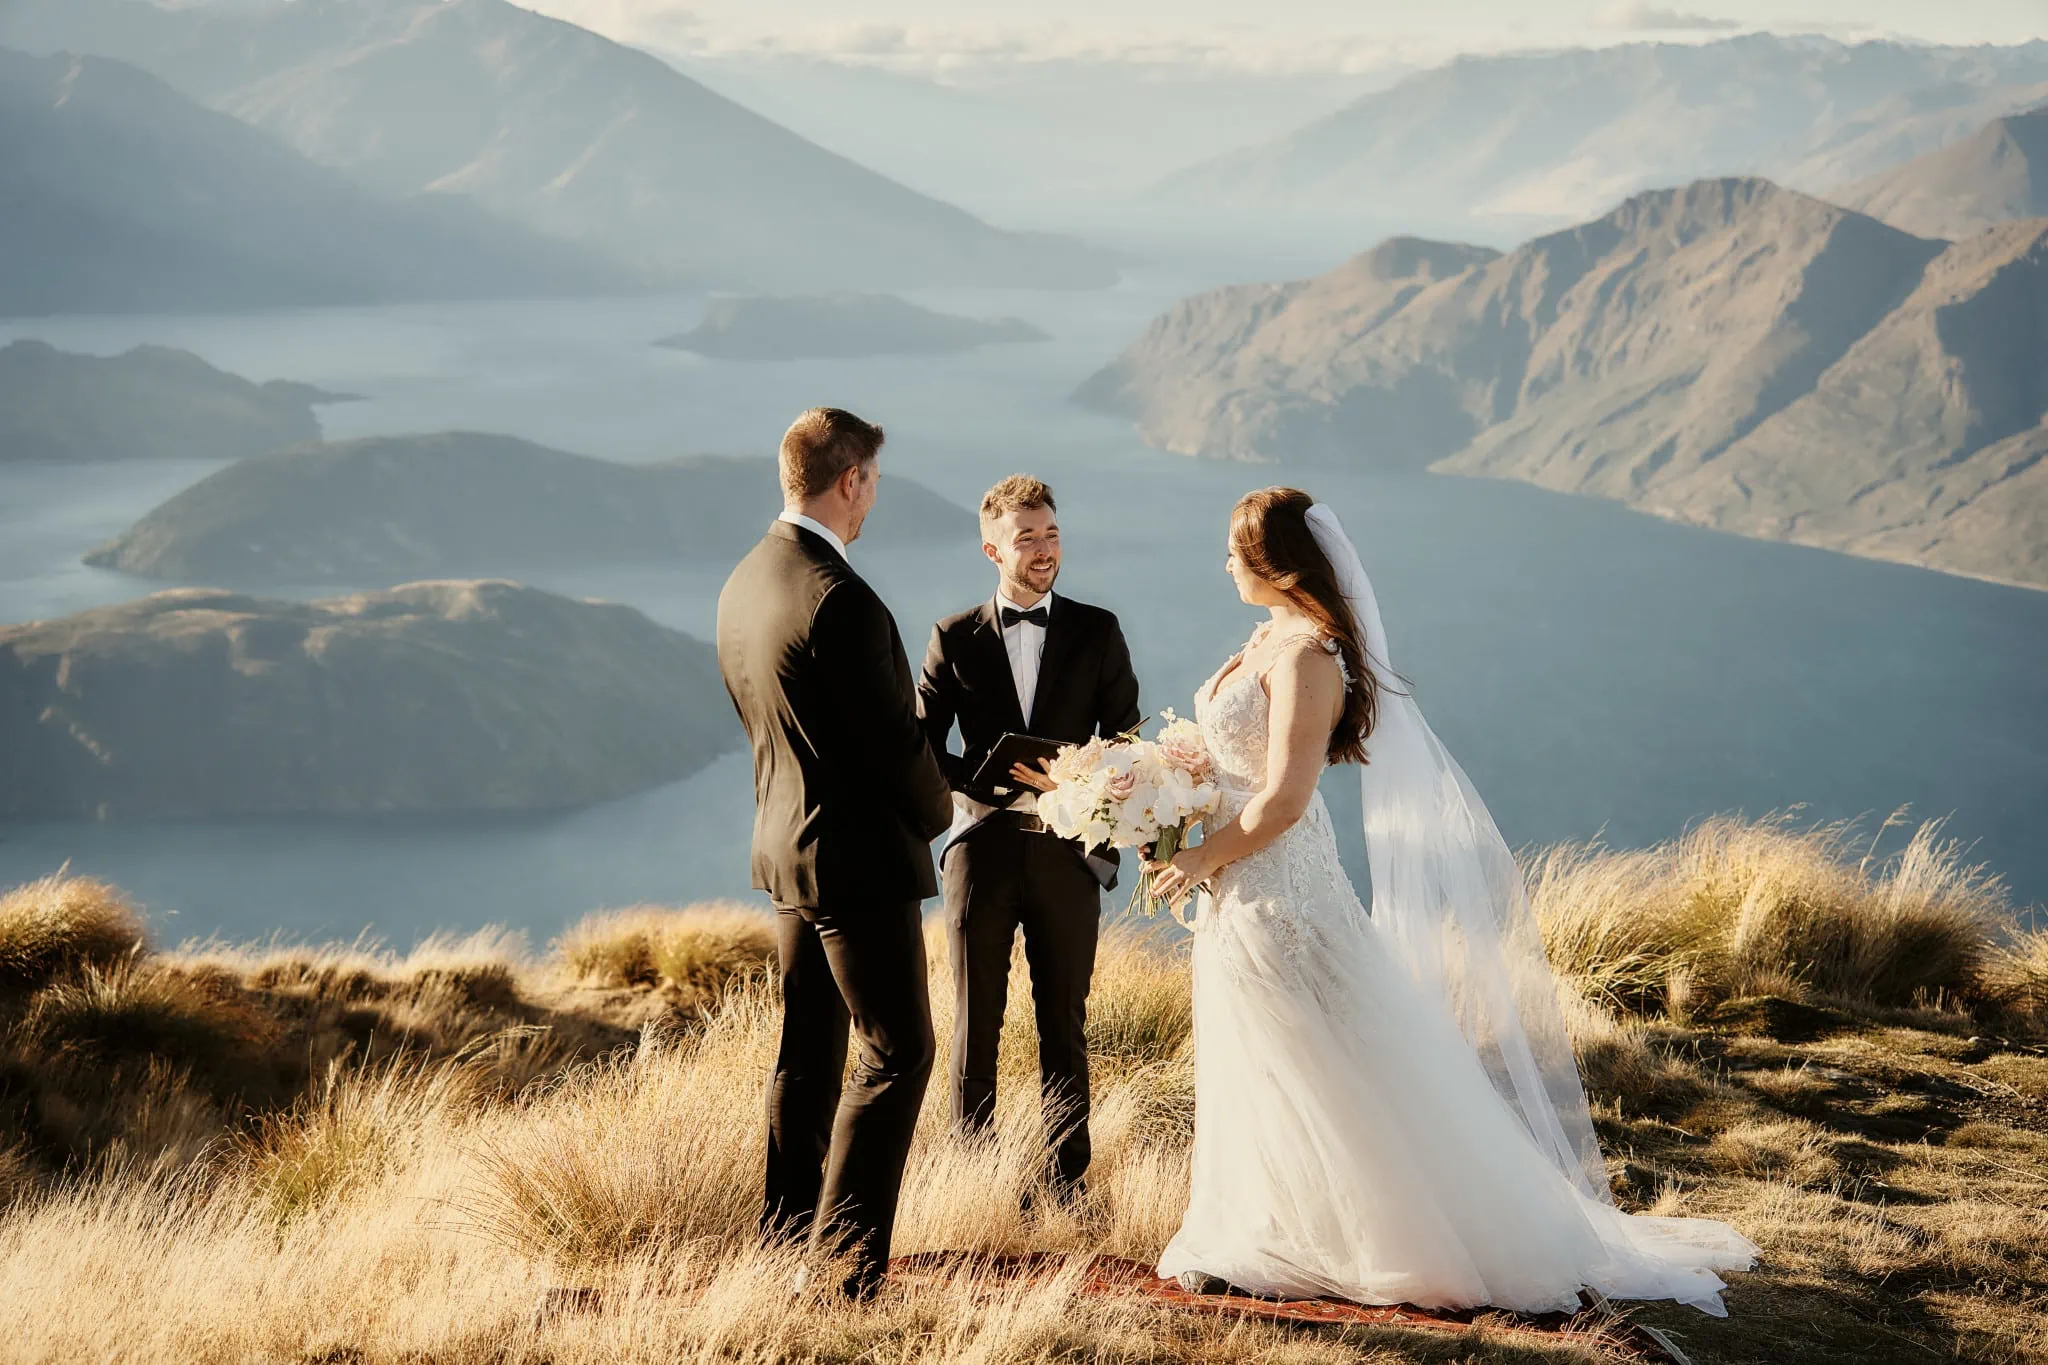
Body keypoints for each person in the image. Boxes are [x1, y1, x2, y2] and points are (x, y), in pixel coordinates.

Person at [1144, 486, 1757, 1314]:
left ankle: (1392, 1239)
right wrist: (1163, 789)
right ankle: (1278, 1223)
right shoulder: (1270, 638)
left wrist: (1196, 858)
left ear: (1281, 564)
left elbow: (1285, 800)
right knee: (1269, 1056)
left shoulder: (1305, 658)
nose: (1223, 562)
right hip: (1241, 885)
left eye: (1235, 550)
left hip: (1279, 888)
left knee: (1312, 1059)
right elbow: (1236, 765)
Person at [714, 407, 952, 1299]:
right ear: (850, 480)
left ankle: (782, 1243)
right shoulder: (840, 599)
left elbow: (766, 722)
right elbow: (894, 747)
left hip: (786, 853)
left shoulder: (748, 577)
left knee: (807, 1052)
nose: (873, 498)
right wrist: (948, 810)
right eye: (874, 482)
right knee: (896, 1052)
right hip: (855, 867)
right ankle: (843, 1271)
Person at [917, 475, 1141, 1205]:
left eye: (1050, 533)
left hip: (1070, 854)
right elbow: (920, 745)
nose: (1044, 549)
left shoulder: (1098, 629)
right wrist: (984, 781)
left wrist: (1080, 782)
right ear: (992, 549)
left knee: (1063, 1023)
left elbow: (1128, 739)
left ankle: (1064, 1183)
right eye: (1026, 537)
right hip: (980, 847)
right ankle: (973, 1176)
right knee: (976, 1019)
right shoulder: (953, 636)